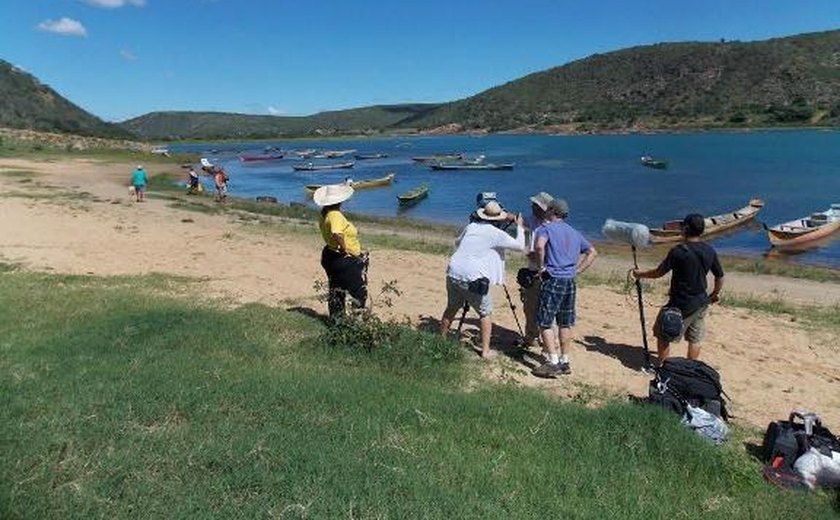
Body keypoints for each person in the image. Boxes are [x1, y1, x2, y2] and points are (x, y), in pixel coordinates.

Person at [632, 213, 724, 363]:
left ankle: (664, 367)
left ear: (686, 229)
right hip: (701, 302)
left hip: (680, 303)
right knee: (695, 338)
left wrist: (640, 274)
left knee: (663, 334)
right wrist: (715, 293)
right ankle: (690, 366)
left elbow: (659, 273)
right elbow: (720, 276)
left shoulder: (678, 251)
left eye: (682, 226)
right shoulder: (709, 250)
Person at [439, 200, 525, 359]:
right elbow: (520, 246)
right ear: (499, 218)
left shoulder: (471, 227)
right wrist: (519, 226)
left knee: (451, 308)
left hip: (453, 271)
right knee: (485, 313)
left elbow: (457, 242)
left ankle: (441, 339)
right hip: (472, 277)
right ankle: (485, 351)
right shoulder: (496, 234)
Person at [532, 199, 598, 377]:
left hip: (553, 278)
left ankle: (552, 362)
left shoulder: (546, 229)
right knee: (565, 321)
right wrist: (577, 270)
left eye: (548, 209)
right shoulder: (574, 232)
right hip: (570, 280)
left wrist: (541, 268)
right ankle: (564, 360)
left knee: (544, 320)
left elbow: (539, 246)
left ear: (552, 211)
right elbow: (592, 251)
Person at [314, 184, 368, 321]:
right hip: (344, 258)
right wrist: (345, 249)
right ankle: (357, 323)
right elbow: (337, 233)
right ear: (339, 201)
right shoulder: (335, 215)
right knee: (358, 292)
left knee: (336, 290)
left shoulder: (324, 212)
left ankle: (337, 321)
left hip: (330, 254)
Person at [518, 191, 555, 348]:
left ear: (543, 209)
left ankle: (548, 343)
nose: (532, 207)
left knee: (545, 309)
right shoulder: (533, 220)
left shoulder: (552, 227)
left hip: (546, 272)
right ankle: (531, 336)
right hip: (532, 271)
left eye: (535, 205)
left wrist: (540, 258)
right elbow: (518, 220)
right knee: (529, 306)